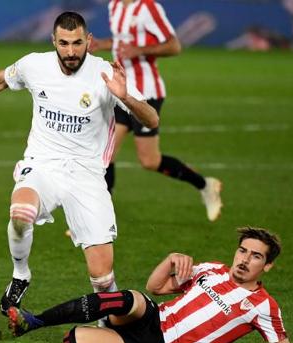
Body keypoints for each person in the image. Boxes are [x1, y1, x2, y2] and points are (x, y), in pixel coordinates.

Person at [0, 11, 159, 316]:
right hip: (43, 165)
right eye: (64, 43)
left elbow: (151, 118)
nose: (71, 51)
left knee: (103, 280)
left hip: (86, 174)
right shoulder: (35, 65)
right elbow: (1, 79)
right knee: (21, 212)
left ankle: (112, 330)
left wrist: (125, 98)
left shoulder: (105, 73)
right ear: (54, 41)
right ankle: (21, 274)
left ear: (88, 41)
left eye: (77, 43)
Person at [8, 227, 293, 343]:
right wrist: (170, 260)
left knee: (72, 342)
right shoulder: (211, 269)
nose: (245, 259)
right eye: (243, 251)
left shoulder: (264, 306)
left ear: (267, 266)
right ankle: (33, 322)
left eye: (256, 256)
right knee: (127, 299)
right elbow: (156, 287)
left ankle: (108, 334)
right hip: (153, 316)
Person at [89, 0, 223, 222]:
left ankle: (205, 185)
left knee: (149, 161)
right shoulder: (115, 5)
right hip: (122, 90)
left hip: (146, 93)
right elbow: (123, 42)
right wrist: (102, 44)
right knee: (106, 152)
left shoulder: (148, 8)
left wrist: (139, 50)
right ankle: (101, 216)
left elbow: (174, 45)